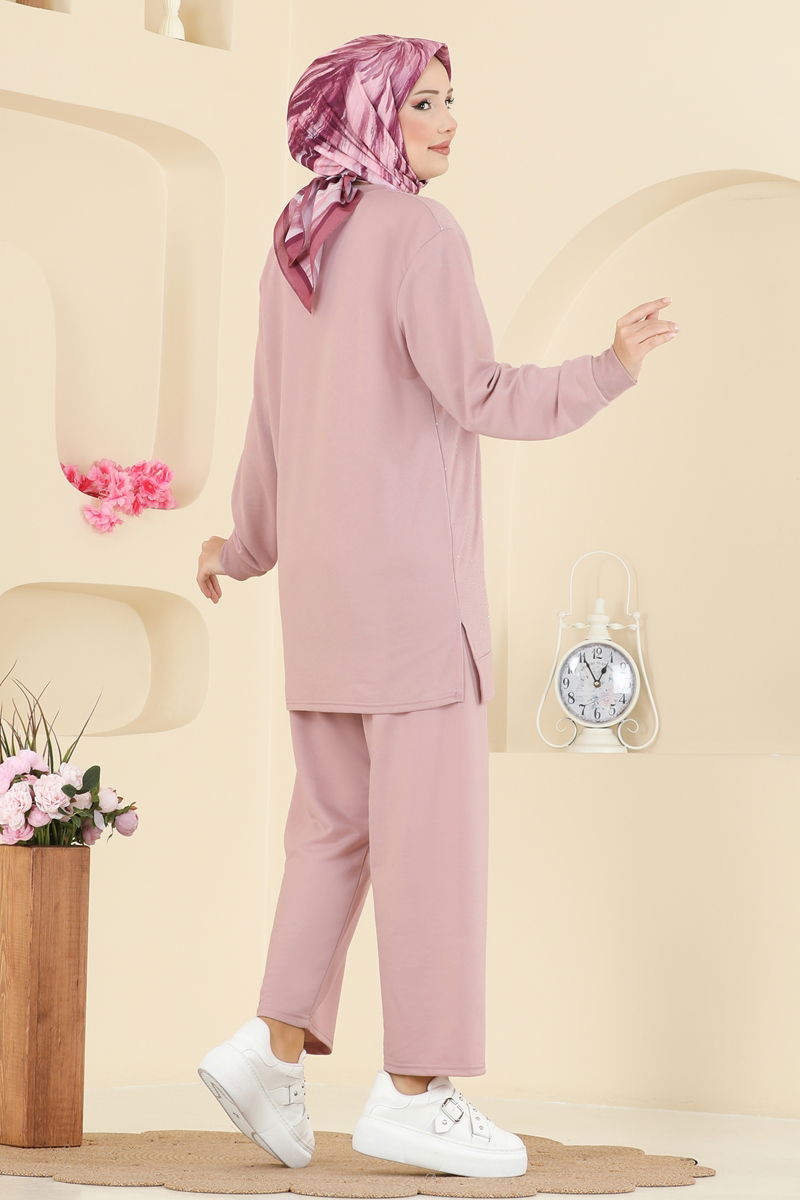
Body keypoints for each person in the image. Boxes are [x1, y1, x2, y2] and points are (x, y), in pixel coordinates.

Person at [195, 32, 679, 1180]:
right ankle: (417, 1091)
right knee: (432, 851)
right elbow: (479, 393)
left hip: (319, 605)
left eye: (450, 100)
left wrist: (244, 546)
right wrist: (607, 366)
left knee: (330, 833)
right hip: (412, 603)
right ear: (371, 114)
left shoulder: (296, 243)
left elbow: (268, 425)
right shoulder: (419, 234)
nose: (447, 120)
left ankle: (269, 1052)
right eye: (422, 103)